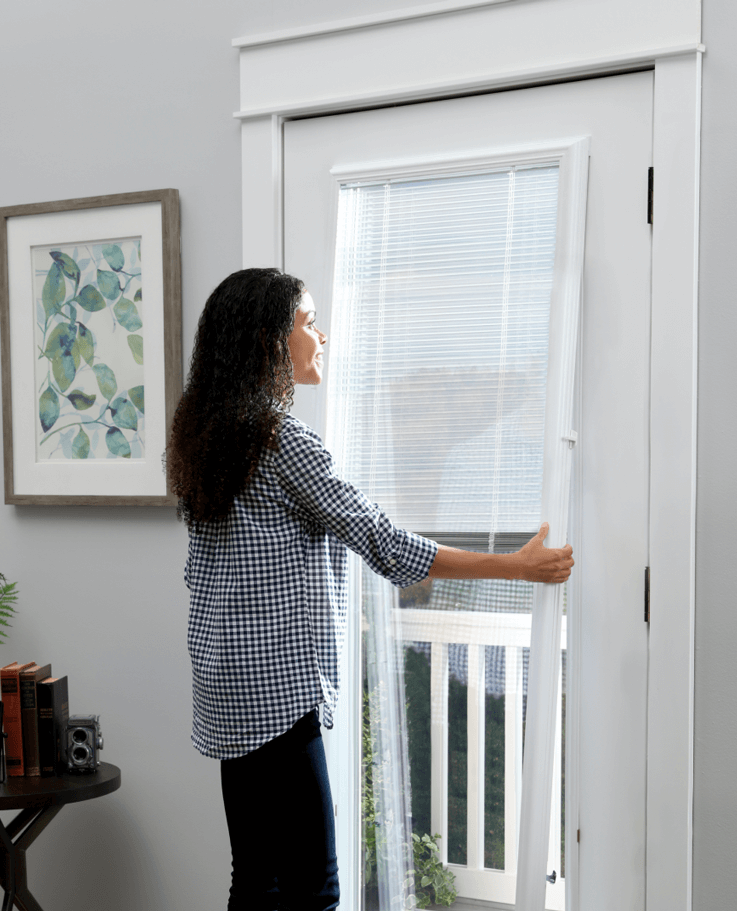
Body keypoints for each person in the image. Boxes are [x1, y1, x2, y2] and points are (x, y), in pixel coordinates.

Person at [167, 268, 574, 911]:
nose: (320, 336)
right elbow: (384, 543)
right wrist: (514, 567)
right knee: (314, 887)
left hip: (227, 683)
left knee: (257, 877)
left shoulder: (207, 437)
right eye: (307, 323)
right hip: (277, 690)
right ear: (272, 341)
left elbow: (203, 573)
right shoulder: (281, 441)